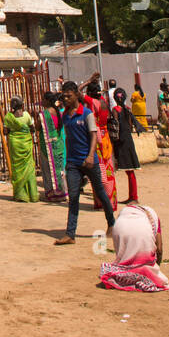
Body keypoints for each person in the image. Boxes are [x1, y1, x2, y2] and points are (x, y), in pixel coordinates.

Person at [55, 82, 116, 246]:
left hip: (89, 161)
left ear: (76, 94)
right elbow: (67, 137)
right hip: (73, 162)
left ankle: (112, 223)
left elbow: (94, 136)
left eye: (68, 95)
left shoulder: (87, 114)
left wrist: (90, 156)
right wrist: (67, 160)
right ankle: (70, 233)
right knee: (73, 197)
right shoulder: (65, 115)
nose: (66, 99)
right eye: (64, 96)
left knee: (101, 193)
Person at [99, 201, 169, 293]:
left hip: (120, 226)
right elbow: (159, 249)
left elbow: (121, 249)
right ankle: (135, 272)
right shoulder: (153, 216)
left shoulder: (125, 212)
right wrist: (156, 270)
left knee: (126, 250)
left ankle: (124, 270)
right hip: (140, 229)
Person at [82, 80, 117, 213]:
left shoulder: (93, 102)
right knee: (108, 170)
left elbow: (78, 92)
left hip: (97, 139)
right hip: (105, 136)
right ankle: (110, 200)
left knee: (99, 171)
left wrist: (88, 81)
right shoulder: (103, 101)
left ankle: (102, 201)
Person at [3, 96, 39, 203]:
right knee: (29, 168)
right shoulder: (27, 115)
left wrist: (14, 130)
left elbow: (5, 132)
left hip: (15, 144)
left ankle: (20, 194)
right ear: (22, 105)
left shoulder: (8, 117)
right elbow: (32, 129)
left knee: (17, 169)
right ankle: (32, 194)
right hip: (26, 143)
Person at [111, 87, 143, 203]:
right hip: (128, 139)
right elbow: (132, 124)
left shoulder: (115, 110)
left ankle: (134, 197)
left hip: (121, 141)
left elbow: (115, 126)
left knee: (128, 170)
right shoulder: (128, 109)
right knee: (130, 170)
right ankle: (132, 196)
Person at [37, 92, 67, 201]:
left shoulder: (43, 114)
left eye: (43, 99)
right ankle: (61, 192)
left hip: (47, 145)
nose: (42, 101)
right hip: (58, 144)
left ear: (47, 101)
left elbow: (37, 127)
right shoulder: (59, 112)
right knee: (59, 168)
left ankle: (51, 193)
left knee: (47, 169)